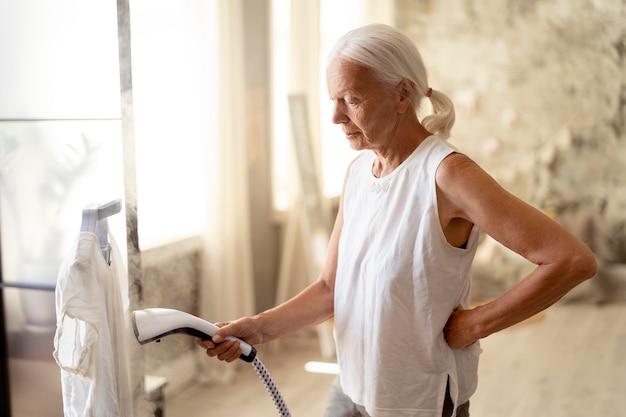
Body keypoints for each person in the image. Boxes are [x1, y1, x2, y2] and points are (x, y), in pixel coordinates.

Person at [196, 23, 597, 417]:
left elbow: (571, 259)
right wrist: (259, 328)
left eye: (351, 99)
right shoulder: (358, 173)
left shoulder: (447, 174)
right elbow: (329, 288)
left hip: (416, 401)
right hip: (350, 388)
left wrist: (475, 324)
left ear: (403, 94)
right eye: (333, 100)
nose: (336, 116)